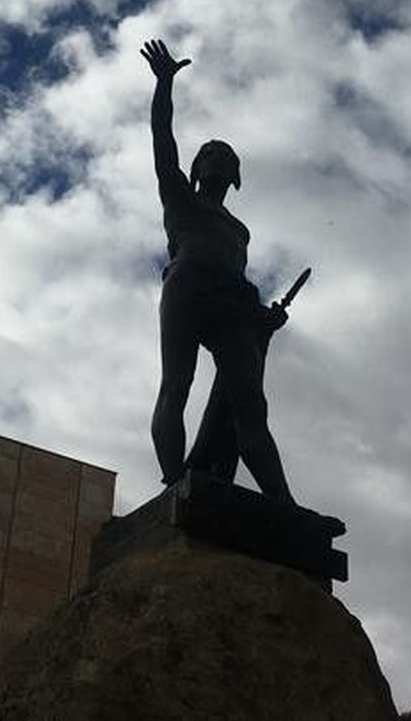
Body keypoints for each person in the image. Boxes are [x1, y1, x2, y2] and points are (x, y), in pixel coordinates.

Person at [140, 38, 294, 503]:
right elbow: (162, 140)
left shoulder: (241, 231)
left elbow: (242, 285)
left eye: (224, 154)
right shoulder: (180, 197)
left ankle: (283, 503)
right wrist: (165, 84)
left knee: (249, 403)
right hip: (187, 288)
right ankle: (174, 487)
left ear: (236, 175)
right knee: (177, 383)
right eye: (207, 151)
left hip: (231, 305)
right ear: (195, 167)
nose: (215, 155)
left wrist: (264, 318)